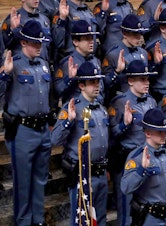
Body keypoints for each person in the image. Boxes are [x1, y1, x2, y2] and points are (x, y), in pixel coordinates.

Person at [0, 20, 52, 226]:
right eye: (34, 43)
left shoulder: (44, 64)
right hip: (22, 131)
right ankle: (23, 221)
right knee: (23, 182)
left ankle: (38, 220)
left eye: (40, 43)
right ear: (23, 42)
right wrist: (4, 73)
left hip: (42, 130)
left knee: (40, 179)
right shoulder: (14, 62)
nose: (38, 46)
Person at [51, 61, 109, 226]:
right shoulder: (72, 108)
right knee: (82, 221)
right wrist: (68, 121)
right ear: (81, 85)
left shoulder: (101, 109)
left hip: (100, 173)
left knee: (100, 220)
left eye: (98, 81)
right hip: (82, 175)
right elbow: (54, 140)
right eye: (92, 82)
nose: (96, 85)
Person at [108, 60, 158, 226]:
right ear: (130, 81)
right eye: (142, 79)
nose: (147, 83)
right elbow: (111, 135)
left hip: (148, 160)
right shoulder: (120, 102)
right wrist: (124, 125)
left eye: (147, 79)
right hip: (127, 161)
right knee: (126, 211)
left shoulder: (151, 101)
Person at [120, 108, 166, 226]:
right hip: (150, 218)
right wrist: (141, 169)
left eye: (165, 131)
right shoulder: (137, 156)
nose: (164, 135)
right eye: (159, 131)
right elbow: (125, 188)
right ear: (148, 133)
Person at [102, 14, 161, 98]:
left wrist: (156, 63)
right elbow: (105, 84)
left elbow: (147, 77)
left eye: (140, 33)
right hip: (122, 98)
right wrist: (117, 72)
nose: (139, 37)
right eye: (134, 34)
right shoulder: (113, 54)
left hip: (142, 98)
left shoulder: (143, 52)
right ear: (124, 33)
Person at [54, 19, 106, 105]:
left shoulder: (95, 61)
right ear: (75, 42)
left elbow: (101, 88)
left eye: (91, 38)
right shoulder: (68, 63)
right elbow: (58, 90)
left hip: (95, 108)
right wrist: (70, 79)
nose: (91, 42)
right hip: (76, 109)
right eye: (86, 38)